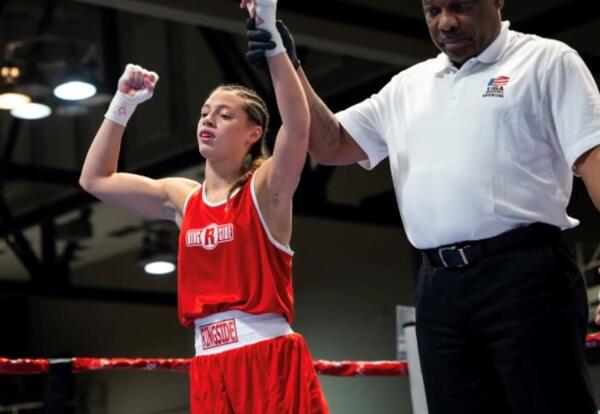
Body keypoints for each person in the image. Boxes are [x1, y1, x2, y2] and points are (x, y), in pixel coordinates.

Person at [245, 0, 600, 413]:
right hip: (439, 289)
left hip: (525, 275)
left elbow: (593, 160)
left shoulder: (546, 60)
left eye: (460, 6)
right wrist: (286, 61)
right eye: (433, 11)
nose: (446, 22)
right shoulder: (408, 86)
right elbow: (329, 143)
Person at [79, 0, 329, 412]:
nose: (207, 120)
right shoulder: (183, 198)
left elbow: (298, 126)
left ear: (253, 133)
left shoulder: (266, 189)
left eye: (223, 115)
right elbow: (95, 179)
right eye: (204, 113)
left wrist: (273, 46)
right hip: (209, 364)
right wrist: (123, 103)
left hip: (266, 360)